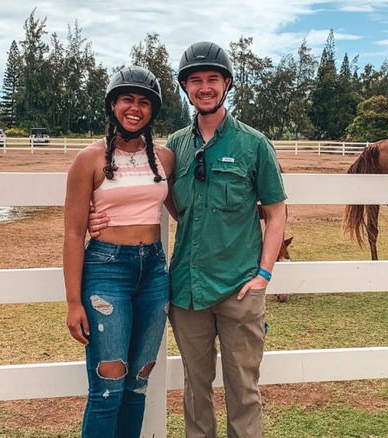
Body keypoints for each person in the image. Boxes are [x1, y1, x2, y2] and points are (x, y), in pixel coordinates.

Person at [90, 41, 287, 438]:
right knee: (195, 391)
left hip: (239, 286)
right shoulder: (173, 147)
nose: (204, 87)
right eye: (194, 80)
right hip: (187, 289)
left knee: (243, 391)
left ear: (227, 83)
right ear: (184, 88)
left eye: (212, 79)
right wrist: (100, 216)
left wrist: (263, 273)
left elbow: (277, 211)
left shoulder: (254, 144)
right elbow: (165, 199)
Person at [63, 65, 174, 438]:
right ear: (112, 104)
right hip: (107, 270)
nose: (135, 108)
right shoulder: (88, 160)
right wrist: (73, 302)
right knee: (108, 387)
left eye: (144, 102)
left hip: (155, 271)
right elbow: (74, 232)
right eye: (127, 99)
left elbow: (184, 209)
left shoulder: (164, 158)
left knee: (137, 383)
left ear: (152, 111)